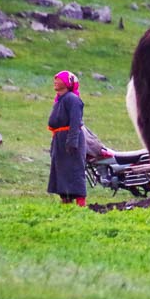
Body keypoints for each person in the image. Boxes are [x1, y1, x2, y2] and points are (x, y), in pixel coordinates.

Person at [47, 70, 87, 206]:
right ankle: (66, 201)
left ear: (66, 83)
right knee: (62, 171)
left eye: (58, 79)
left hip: (71, 138)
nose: (55, 81)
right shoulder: (60, 99)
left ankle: (80, 202)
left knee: (75, 170)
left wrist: (72, 141)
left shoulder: (72, 99)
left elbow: (75, 121)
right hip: (60, 139)